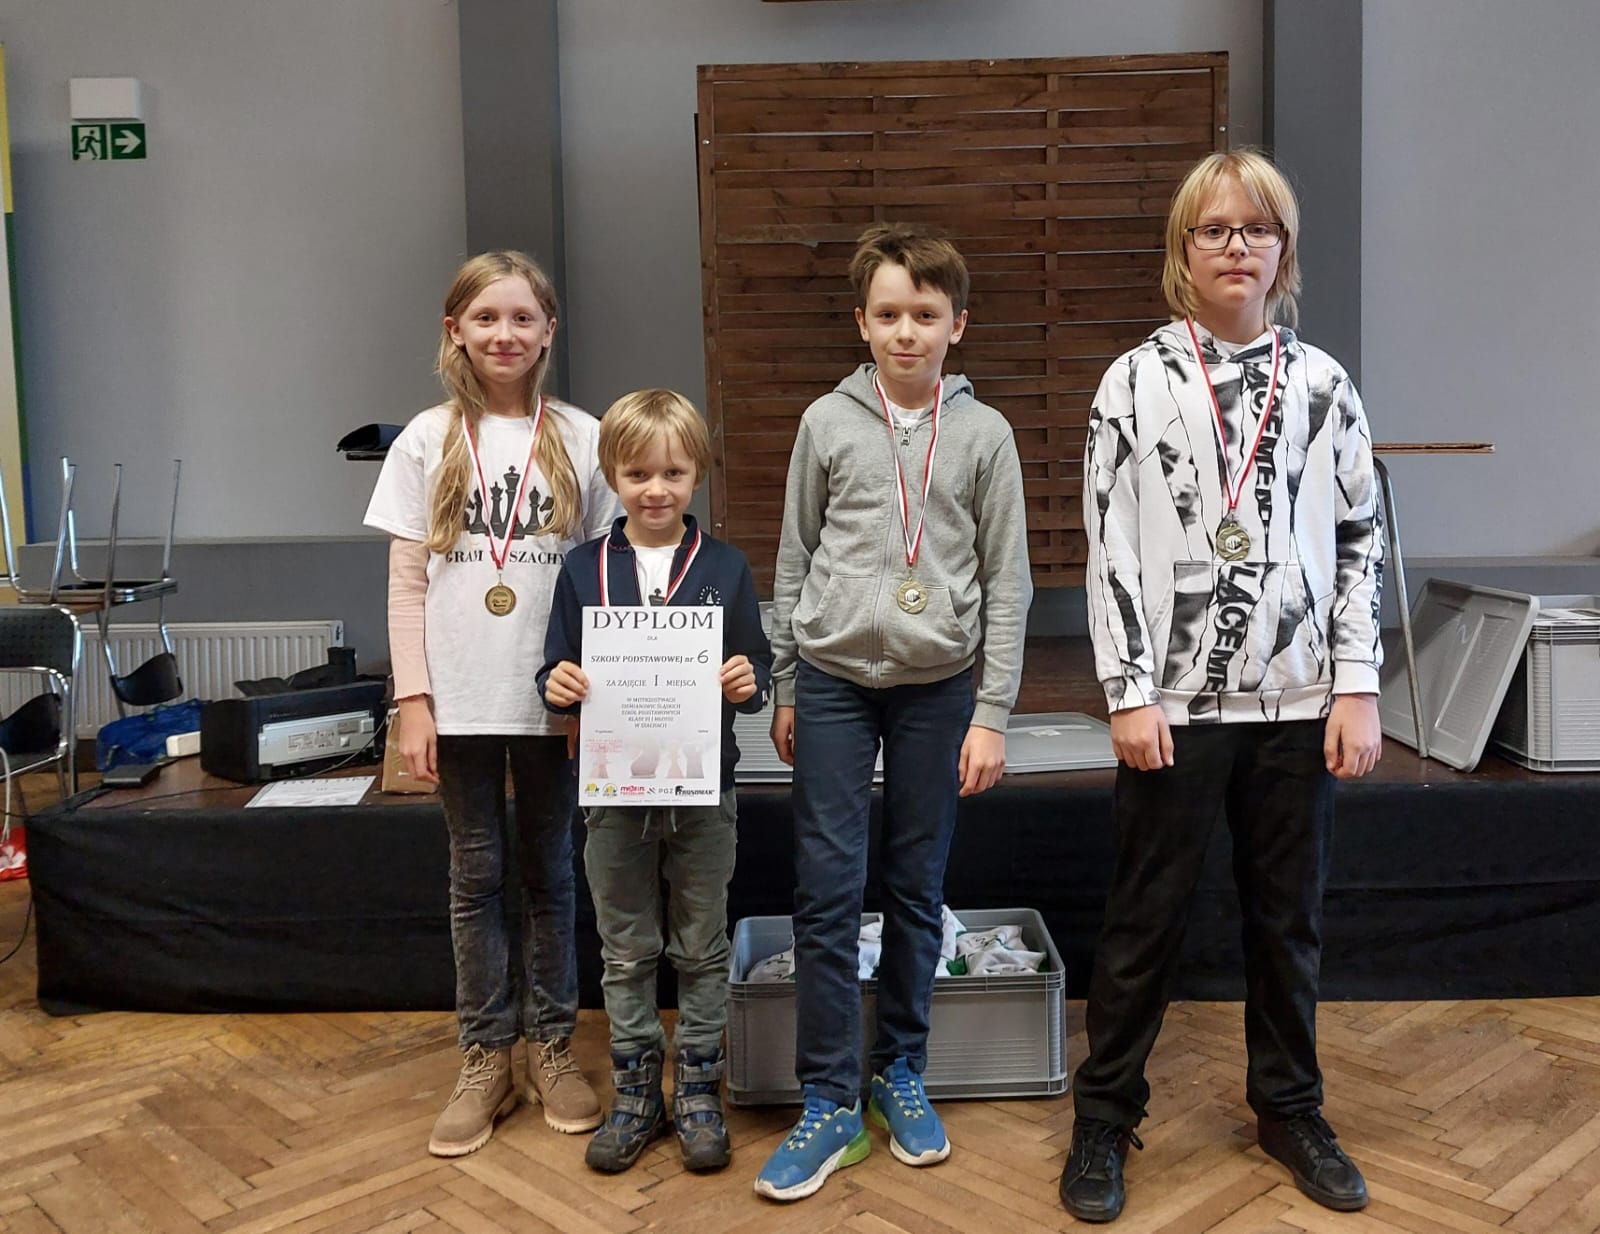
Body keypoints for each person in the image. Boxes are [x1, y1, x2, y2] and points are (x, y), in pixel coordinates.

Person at [1060, 149, 1384, 1223]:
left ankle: (1289, 1108)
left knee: (1287, 923)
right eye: (1214, 229)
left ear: (1282, 248)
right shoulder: (1133, 380)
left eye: (1256, 228)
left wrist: (1356, 683)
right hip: (1174, 709)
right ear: (1183, 250)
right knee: (1143, 920)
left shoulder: (1324, 383)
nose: (1236, 245)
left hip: (1299, 705)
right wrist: (1126, 689)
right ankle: (1105, 1116)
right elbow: (1107, 545)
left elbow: (1358, 539)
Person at [754, 224, 1034, 1202]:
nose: (905, 331)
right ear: (861, 323)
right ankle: (830, 1097)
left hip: (939, 685)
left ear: (958, 324)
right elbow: (794, 555)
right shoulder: (825, 423)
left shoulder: (985, 435)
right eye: (887, 314)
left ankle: (899, 1070)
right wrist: (788, 682)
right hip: (832, 678)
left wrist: (992, 711)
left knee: (916, 884)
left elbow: (1008, 582)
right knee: (826, 888)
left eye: (924, 313)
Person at [363, 250, 619, 1157]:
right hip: (460, 696)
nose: (503, 334)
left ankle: (551, 1046)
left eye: (521, 318)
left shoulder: (584, 437)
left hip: (554, 698)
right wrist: (414, 700)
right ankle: (484, 1056)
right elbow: (405, 585)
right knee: (474, 876)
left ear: (549, 330)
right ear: (455, 331)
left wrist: (596, 694)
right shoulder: (425, 440)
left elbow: (607, 580)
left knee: (551, 873)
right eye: (486, 318)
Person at [538, 388, 772, 1174]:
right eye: (638, 473)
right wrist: (556, 685)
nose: (656, 489)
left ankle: (698, 1084)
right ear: (612, 474)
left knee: (701, 946)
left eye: (673, 472)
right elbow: (554, 666)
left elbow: (756, 667)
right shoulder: (582, 569)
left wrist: (748, 680)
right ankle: (638, 1088)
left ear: (697, 473)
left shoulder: (725, 567)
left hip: (705, 791)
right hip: (613, 796)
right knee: (626, 949)